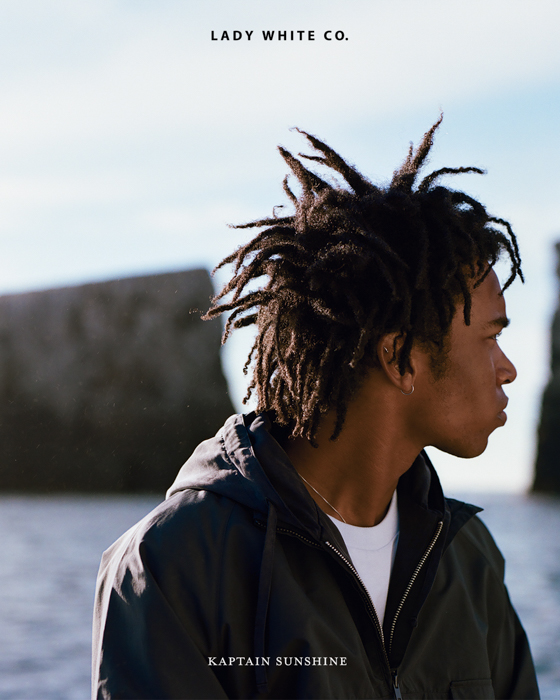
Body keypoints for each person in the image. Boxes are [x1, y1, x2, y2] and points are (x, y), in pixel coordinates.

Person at [92, 116, 540, 699]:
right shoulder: (172, 565)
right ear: (400, 359)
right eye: (490, 338)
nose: (508, 368)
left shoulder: (468, 558)